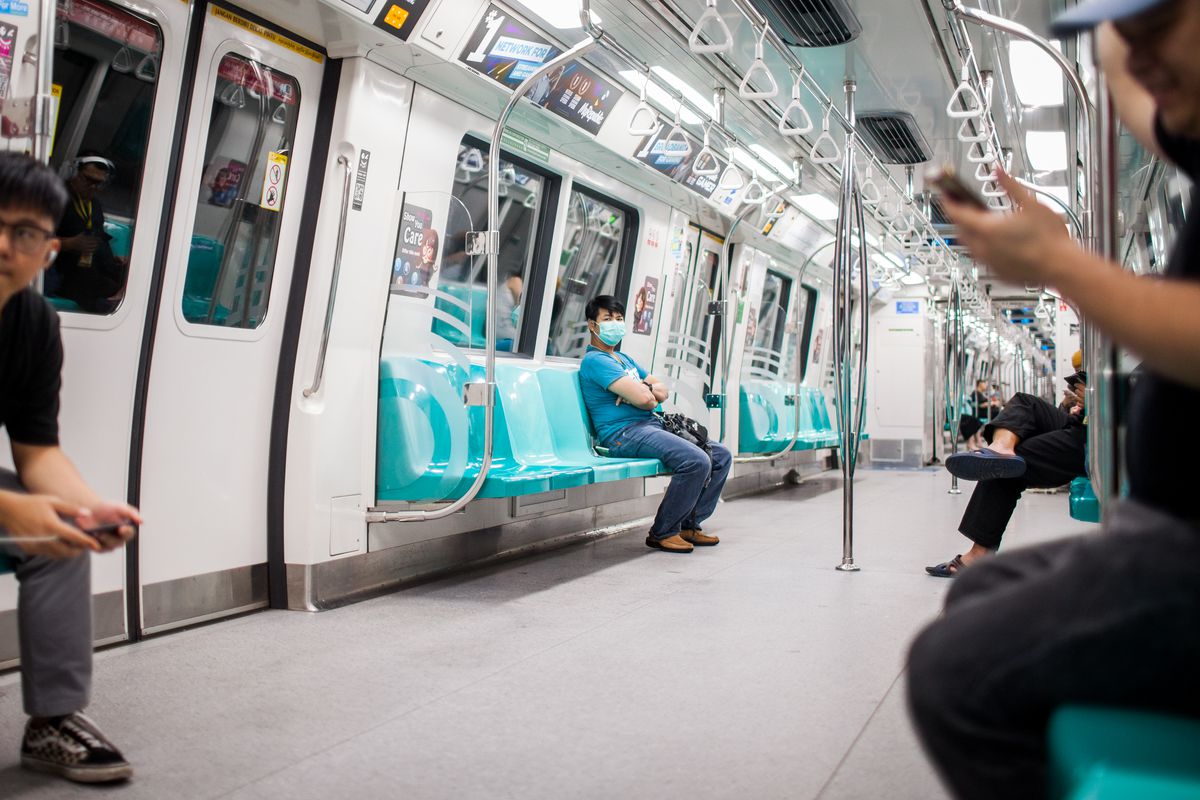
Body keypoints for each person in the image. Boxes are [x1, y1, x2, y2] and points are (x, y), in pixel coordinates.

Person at [908, 2, 1200, 797]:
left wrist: (1062, 263)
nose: (1138, 61)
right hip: (1164, 522)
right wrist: (1111, 43)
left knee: (952, 671)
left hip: (1184, 547)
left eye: (1154, 30)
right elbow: (1137, 92)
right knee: (984, 586)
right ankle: (998, 459)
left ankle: (998, 458)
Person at [0, 152, 142, 783]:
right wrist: (12, 508)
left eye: (25, 232)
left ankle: (53, 722)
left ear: (47, 252)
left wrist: (82, 508)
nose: (6, 245)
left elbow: (37, 452)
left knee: (60, 538)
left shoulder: (33, 324)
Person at [579, 295, 732, 553]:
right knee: (696, 461)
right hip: (623, 433)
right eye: (607, 319)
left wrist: (639, 389)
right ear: (593, 326)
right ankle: (663, 531)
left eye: (618, 319)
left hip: (652, 426)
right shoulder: (595, 361)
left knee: (721, 456)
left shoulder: (623, 360)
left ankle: (689, 525)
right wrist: (642, 393)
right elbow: (648, 401)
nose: (614, 324)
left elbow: (661, 391)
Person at [926, 380, 1087, 577]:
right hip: (1084, 419)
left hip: (1096, 431)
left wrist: (1096, 397)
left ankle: (979, 554)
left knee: (1004, 467)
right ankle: (1000, 447)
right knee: (1026, 402)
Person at [51, 152, 127, 314]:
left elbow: (99, 238)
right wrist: (70, 243)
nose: (94, 187)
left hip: (92, 267)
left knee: (135, 272)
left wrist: (113, 259)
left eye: (99, 183)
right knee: (93, 283)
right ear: (72, 173)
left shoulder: (95, 206)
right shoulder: (55, 199)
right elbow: (38, 242)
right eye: (88, 180)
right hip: (65, 270)